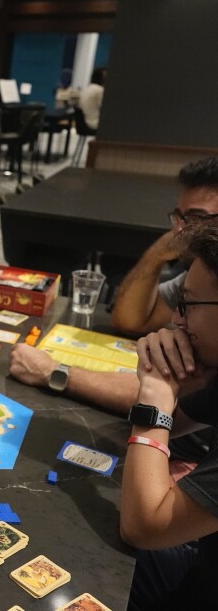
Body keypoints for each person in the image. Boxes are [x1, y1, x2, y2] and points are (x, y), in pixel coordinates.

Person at [9, 158, 218, 414]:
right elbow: (131, 322)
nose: (182, 231)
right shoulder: (201, 273)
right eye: (179, 218)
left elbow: (164, 398)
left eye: (197, 218)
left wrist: (52, 372)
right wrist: (158, 253)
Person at [122, 222, 218, 609]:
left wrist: (157, 392)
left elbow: (144, 526)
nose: (177, 320)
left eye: (189, 304)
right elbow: (175, 427)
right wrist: (181, 379)